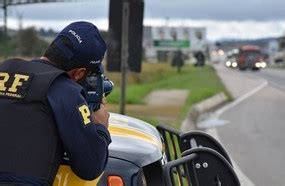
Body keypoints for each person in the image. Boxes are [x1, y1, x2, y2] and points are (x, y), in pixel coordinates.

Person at [0, 21, 111, 185]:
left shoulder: (5, 70)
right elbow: (90, 166)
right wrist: (101, 127)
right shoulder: (66, 91)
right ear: (79, 73)